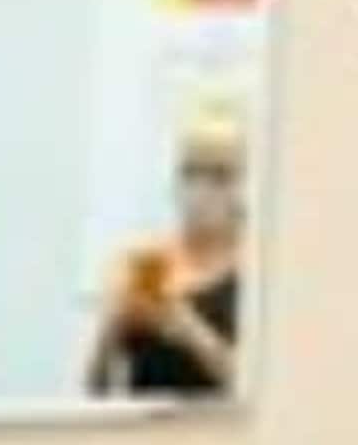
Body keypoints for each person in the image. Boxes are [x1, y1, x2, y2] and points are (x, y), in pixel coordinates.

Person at [87, 159, 249, 402]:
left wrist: (188, 330)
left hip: (226, 434)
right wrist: (110, 326)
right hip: (148, 433)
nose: (201, 192)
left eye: (219, 180)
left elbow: (257, 390)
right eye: (190, 177)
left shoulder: (256, 275)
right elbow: (94, 389)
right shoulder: (143, 262)